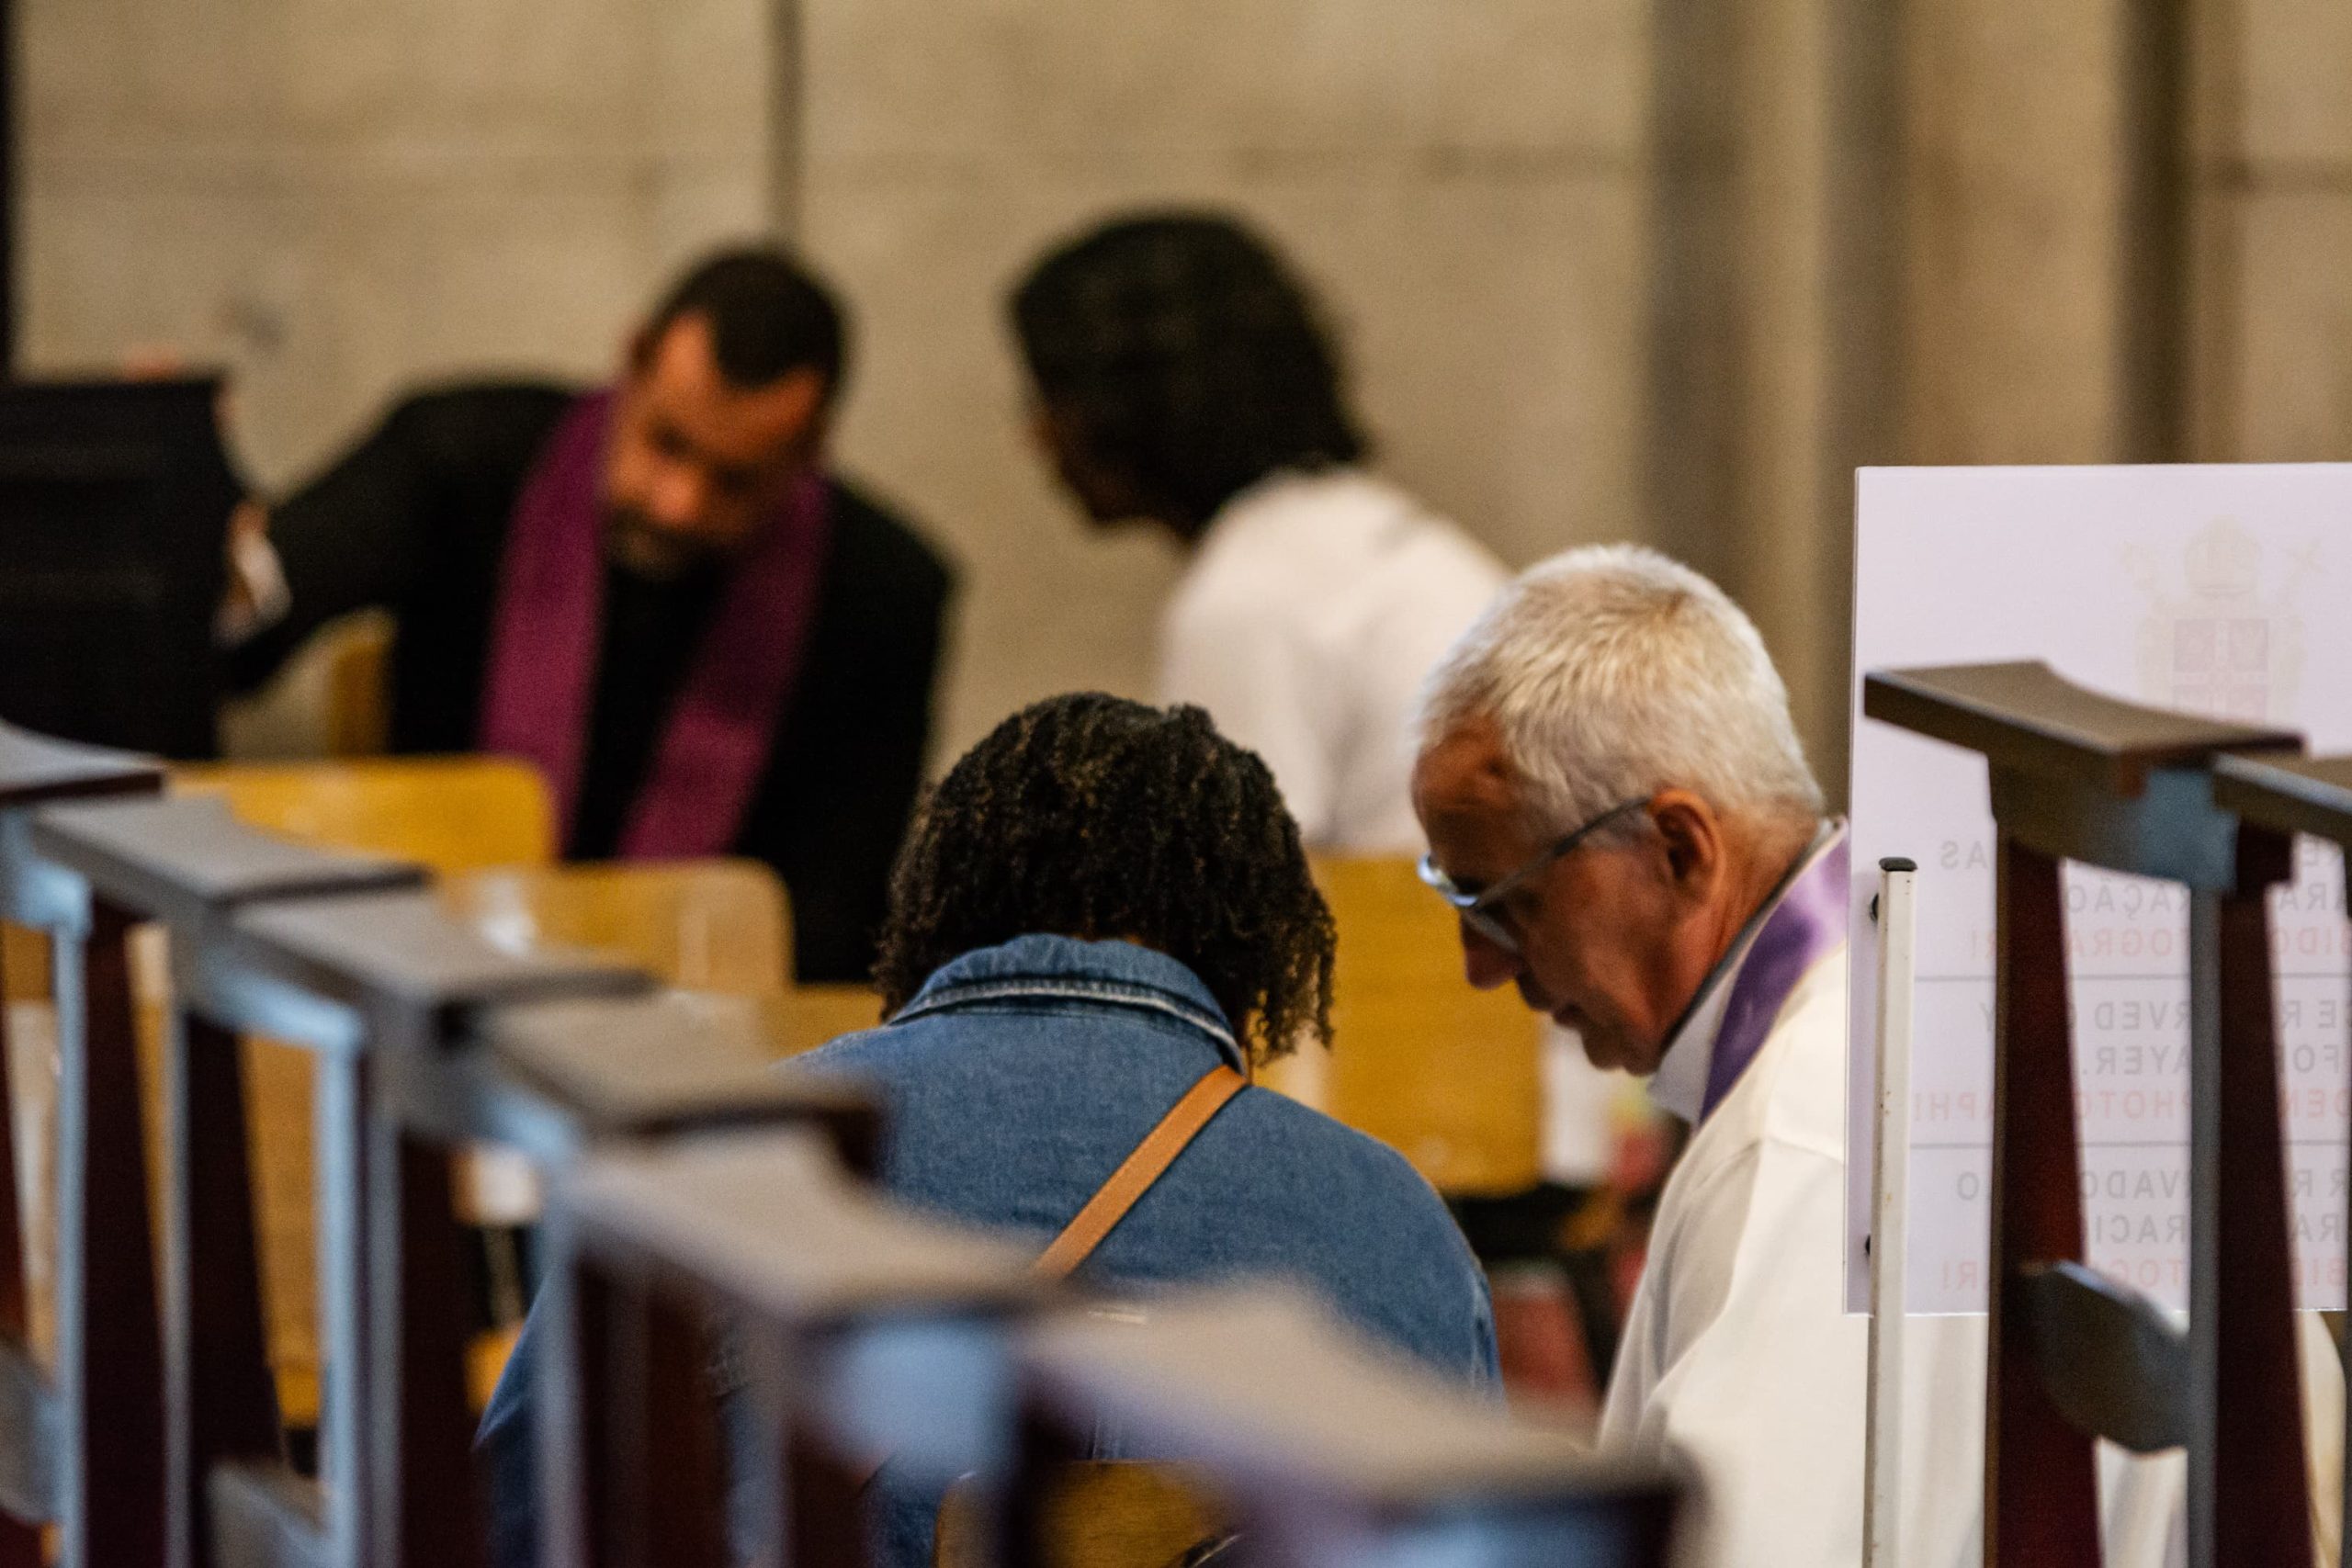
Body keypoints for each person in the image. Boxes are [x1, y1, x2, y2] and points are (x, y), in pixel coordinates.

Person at [1408, 544, 2343, 1567]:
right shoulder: (1934, 976)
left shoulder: (1813, 1136)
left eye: (1507, 904)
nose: (1479, 968)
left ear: (1678, 848)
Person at [476, 693, 1498, 1566]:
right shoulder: (1396, 1227)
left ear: (934, 902)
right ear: (1264, 960)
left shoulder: (724, 1157)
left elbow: (510, 1527)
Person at [222, 246, 955, 981]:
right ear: (634, 360)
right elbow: (257, 615)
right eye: (666, 442)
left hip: (711, 1024)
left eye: (735, 480)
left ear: (811, 447)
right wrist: (212, 553)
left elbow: (837, 912)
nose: (680, 503)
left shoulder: (882, 592)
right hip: (432, 975)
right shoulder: (463, 456)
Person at [1009, 212, 1505, 854]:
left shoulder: (1249, 600)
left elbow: (1234, 915)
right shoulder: (1380, 539)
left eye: (1048, 395)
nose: (1036, 436)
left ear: (1124, 400)